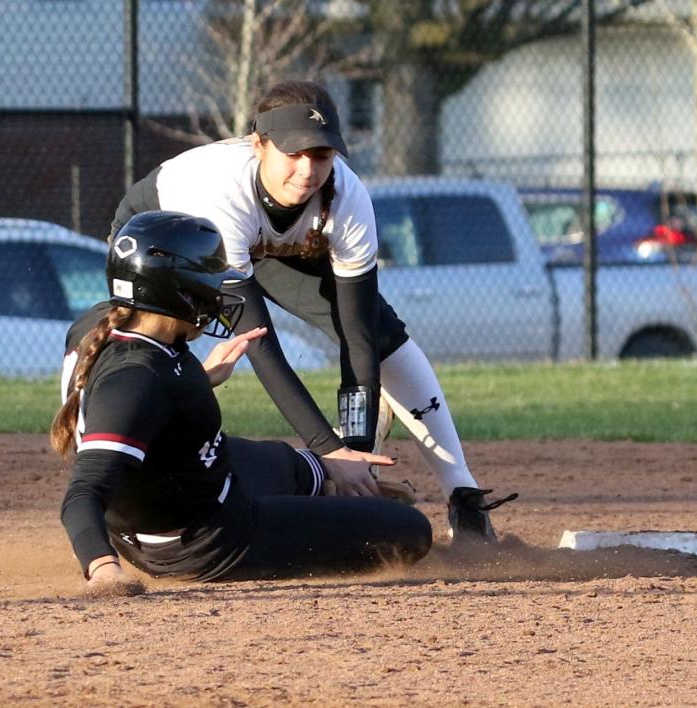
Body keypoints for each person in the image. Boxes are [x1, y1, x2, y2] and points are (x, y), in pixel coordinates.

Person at [110, 79, 515, 542]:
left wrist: (356, 452)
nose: (307, 169)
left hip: (268, 245)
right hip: (172, 239)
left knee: (381, 336)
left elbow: (358, 339)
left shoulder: (348, 198)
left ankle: (463, 496)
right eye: (294, 153)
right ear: (260, 145)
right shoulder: (220, 190)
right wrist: (329, 450)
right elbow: (263, 348)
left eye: (321, 155)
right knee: (158, 345)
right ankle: (122, 471)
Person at [53, 211, 432, 587]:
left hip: (189, 484)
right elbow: (84, 491)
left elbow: (143, 404)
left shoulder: (106, 326)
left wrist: (199, 380)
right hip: (206, 540)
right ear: (178, 291)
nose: (219, 294)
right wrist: (104, 569)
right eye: (210, 281)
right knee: (410, 531)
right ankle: (340, 508)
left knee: (300, 468)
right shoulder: (137, 379)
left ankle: (326, 481)